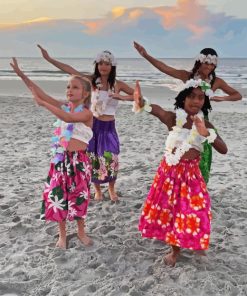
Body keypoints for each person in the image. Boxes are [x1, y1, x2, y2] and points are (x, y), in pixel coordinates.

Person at [133, 79, 227, 266]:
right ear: (183, 99)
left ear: (204, 102)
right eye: (191, 96)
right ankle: (174, 250)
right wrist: (141, 102)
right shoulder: (174, 119)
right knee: (172, 212)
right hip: (169, 174)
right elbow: (157, 110)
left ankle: (195, 240)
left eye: (200, 97)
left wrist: (206, 133)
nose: (196, 101)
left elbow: (223, 149)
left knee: (198, 210)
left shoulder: (205, 124)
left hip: (191, 175)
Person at [11, 58, 94, 249]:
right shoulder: (64, 106)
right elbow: (41, 93)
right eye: (68, 87)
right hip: (60, 159)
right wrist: (22, 75)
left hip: (78, 162)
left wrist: (43, 104)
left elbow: (67, 117)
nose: (69, 90)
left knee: (79, 196)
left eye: (75, 87)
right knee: (59, 195)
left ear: (85, 93)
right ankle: (62, 235)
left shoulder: (87, 113)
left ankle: (81, 232)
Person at [133, 42, 241, 183]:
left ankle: (199, 188)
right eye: (206, 62)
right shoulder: (187, 76)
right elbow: (165, 68)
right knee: (181, 150)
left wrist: (221, 98)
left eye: (212, 64)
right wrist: (146, 55)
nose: (209, 66)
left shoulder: (217, 81)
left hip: (202, 120)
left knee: (203, 157)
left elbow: (237, 95)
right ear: (199, 61)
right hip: (184, 117)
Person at [37, 45, 134, 201]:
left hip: (109, 128)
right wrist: (49, 59)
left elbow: (138, 96)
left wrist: (121, 97)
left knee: (110, 158)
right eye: (101, 63)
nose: (103, 66)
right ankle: (97, 191)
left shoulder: (118, 84)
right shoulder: (90, 81)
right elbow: (70, 70)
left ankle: (111, 189)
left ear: (112, 66)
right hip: (93, 125)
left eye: (107, 63)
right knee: (93, 158)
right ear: (97, 64)